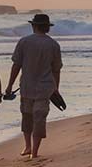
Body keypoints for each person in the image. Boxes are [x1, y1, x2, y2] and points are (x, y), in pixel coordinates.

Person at [4, 14, 63, 159]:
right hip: (45, 87)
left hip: (26, 86)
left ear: (33, 25)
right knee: (39, 118)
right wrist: (56, 88)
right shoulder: (53, 45)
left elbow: (16, 65)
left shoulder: (24, 42)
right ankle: (34, 151)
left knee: (27, 116)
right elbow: (56, 69)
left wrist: (9, 85)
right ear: (47, 27)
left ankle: (27, 146)